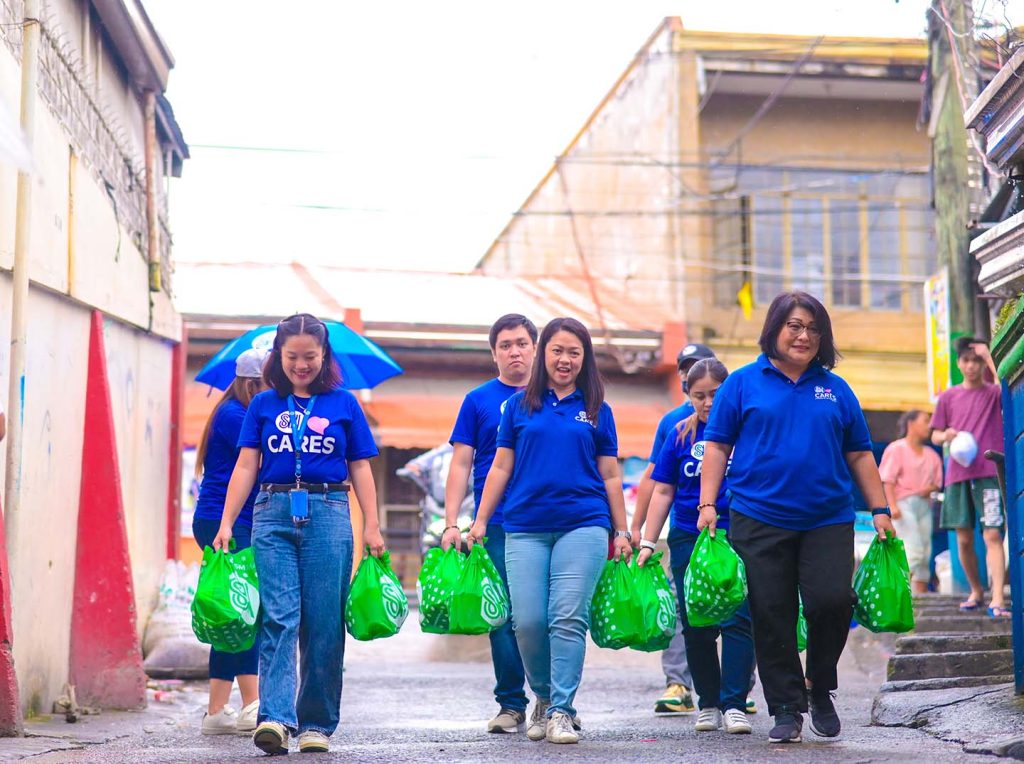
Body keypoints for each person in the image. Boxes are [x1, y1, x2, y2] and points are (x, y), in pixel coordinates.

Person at [698, 291, 895, 745]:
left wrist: (880, 509)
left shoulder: (836, 388)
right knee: (771, 614)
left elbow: (861, 454)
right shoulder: (743, 383)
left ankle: (819, 684)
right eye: (795, 326)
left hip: (827, 517)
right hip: (756, 515)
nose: (804, 335)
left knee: (832, 602)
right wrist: (708, 504)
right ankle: (785, 707)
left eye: (813, 328)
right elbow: (717, 446)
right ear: (775, 328)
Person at [213, 313, 386, 756]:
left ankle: (316, 724)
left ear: (324, 356)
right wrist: (228, 521)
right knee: (278, 619)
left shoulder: (345, 403)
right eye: (292, 357)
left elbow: (361, 466)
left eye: (310, 356)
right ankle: (274, 718)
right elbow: (246, 465)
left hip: (329, 511)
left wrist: (372, 524)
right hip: (272, 513)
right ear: (278, 357)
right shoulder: (263, 404)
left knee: (323, 623)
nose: (301, 365)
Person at [466, 317, 633, 745]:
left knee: (567, 618)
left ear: (584, 358)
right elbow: (501, 466)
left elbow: (611, 475)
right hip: (524, 526)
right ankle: (542, 695)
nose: (565, 359)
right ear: (545, 354)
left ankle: (561, 709)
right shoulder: (520, 406)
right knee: (527, 621)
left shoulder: (597, 408)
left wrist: (623, 530)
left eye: (574, 352)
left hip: (585, 524)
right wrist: (480, 520)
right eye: (558, 350)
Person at [638, 358, 755, 735]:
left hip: (739, 533)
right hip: (689, 536)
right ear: (687, 395)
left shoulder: (747, 432)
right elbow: (663, 491)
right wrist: (646, 540)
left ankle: (735, 702)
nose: (707, 403)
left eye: (715, 395)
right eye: (699, 396)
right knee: (697, 622)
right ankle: (709, 703)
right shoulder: (679, 434)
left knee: (739, 618)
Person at [441, 313, 537, 733]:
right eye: (505, 345)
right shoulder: (478, 400)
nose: (514, 351)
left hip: (545, 521)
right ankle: (512, 703)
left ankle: (552, 700)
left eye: (521, 343)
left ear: (535, 348)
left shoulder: (556, 398)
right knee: (501, 614)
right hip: (494, 523)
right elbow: (461, 463)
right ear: (494, 352)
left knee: (544, 615)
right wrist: (451, 522)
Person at [630, 343, 713, 715]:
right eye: (685, 367)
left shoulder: (735, 418)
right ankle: (678, 683)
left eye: (696, 366)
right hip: (684, 530)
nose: (688, 372)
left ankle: (736, 687)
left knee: (738, 604)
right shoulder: (673, 424)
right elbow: (656, 480)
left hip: (731, 531)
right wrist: (638, 528)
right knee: (683, 607)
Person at [193, 348, 268, 735]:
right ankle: (252, 706)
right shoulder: (238, 416)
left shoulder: (230, 412)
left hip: (223, 519)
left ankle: (216, 712)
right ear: (254, 383)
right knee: (245, 611)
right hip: (229, 522)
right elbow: (258, 461)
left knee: (231, 612)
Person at [930, 337, 1007, 617]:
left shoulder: (992, 392)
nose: (972, 366)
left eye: (976, 361)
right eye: (967, 360)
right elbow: (935, 433)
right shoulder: (949, 397)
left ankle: (997, 597)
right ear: (959, 363)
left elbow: (1007, 388)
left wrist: (989, 357)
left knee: (992, 535)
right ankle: (976, 590)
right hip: (958, 473)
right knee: (963, 539)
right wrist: (946, 435)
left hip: (988, 472)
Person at [879, 410, 943, 594]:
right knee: (912, 550)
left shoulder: (931, 454)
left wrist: (927, 489)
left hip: (924, 505)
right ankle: (900, 595)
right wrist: (892, 505)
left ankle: (919, 598)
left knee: (925, 552)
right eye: (925, 420)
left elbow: (937, 483)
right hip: (903, 504)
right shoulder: (896, 448)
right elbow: (887, 480)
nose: (929, 425)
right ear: (911, 424)